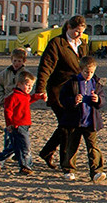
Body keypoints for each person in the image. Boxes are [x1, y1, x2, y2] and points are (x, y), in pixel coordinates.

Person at [36, 15, 88, 170]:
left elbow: (87, 65)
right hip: (58, 90)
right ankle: (65, 161)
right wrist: (40, 89)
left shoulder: (83, 44)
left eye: (81, 31)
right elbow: (46, 67)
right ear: (68, 28)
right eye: (76, 31)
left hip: (76, 91)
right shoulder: (57, 43)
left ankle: (47, 151)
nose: (79, 34)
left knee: (68, 125)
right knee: (67, 126)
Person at [59, 56, 106, 182]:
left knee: (93, 147)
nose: (88, 75)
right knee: (72, 146)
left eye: (91, 72)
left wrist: (98, 100)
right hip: (74, 121)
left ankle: (96, 171)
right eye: (86, 72)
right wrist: (73, 100)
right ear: (80, 70)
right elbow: (62, 99)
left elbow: (102, 100)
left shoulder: (96, 83)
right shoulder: (72, 83)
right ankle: (69, 169)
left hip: (91, 121)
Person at [0, 71, 46, 174]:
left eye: (31, 86)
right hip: (17, 125)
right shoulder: (13, 97)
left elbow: (28, 100)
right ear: (19, 84)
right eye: (27, 85)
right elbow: (7, 111)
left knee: (13, 147)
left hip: (25, 125)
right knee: (25, 146)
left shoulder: (25, 96)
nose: (29, 88)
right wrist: (9, 124)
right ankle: (26, 166)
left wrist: (38, 96)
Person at [0, 48, 28, 164]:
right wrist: (1, 99)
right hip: (8, 104)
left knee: (20, 131)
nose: (16, 64)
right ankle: (5, 154)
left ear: (24, 61)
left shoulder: (25, 74)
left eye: (19, 61)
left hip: (20, 106)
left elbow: (29, 88)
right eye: (14, 61)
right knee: (9, 129)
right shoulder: (4, 73)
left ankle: (17, 153)